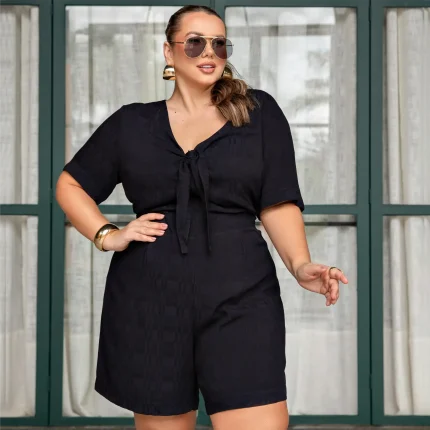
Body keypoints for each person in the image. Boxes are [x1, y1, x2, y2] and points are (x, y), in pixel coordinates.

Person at [56, 4, 349, 430]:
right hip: (149, 299)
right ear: (169, 52)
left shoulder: (258, 113)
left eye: (219, 43)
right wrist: (107, 234)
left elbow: (277, 202)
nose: (209, 51)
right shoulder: (132, 123)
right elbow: (70, 185)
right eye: (195, 42)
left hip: (242, 297)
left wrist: (300, 265)